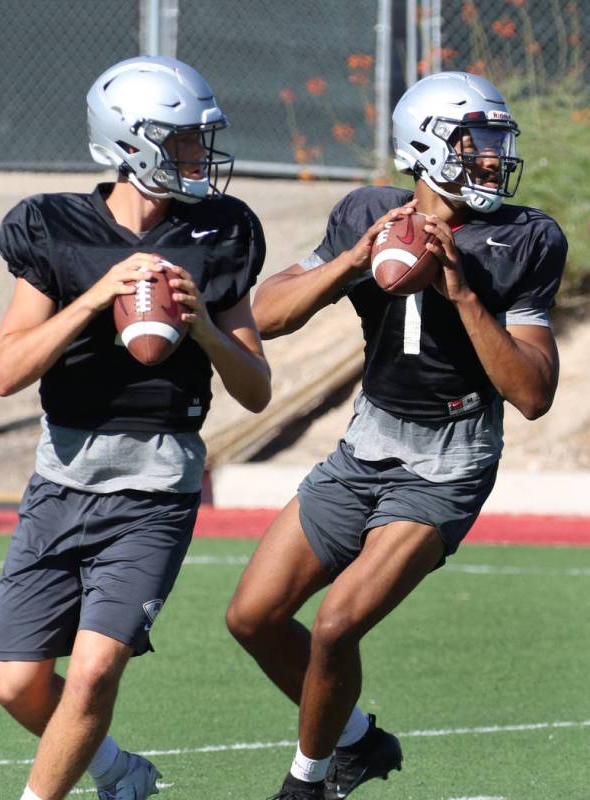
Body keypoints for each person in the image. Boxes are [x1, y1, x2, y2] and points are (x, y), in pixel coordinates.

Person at [226, 71, 567, 800]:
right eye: (477, 145)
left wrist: (463, 293)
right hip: (366, 442)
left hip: (449, 460)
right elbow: (270, 312)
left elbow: (533, 393)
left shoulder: (526, 237)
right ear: (426, 147)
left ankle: (309, 782)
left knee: (336, 623)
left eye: (496, 146)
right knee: (251, 616)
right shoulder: (366, 212)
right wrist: (354, 261)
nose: (493, 160)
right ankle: (359, 741)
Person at [0, 55, 271, 800]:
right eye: (182, 141)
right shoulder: (54, 228)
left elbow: (256, 389)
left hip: (157, 482)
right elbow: (6, 372)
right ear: (130, 144)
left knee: (91, 674)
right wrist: (91, 299)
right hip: (61, 478)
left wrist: (207, 328)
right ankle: (121, 774)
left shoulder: (223, 232)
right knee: (18, 685)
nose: (199, 157)